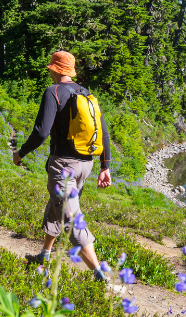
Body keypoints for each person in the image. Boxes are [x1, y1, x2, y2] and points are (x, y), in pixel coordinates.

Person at [13, 50, 112, 280]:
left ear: (54, 70)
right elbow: (104, 133)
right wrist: (104, 166)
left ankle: (100, 276)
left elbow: (41, 132)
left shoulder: (53, 92)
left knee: (70, 218)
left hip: (64, 167)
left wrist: (21, 153)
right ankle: (44, 255)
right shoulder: (85, 93)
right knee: (57, 206)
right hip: (85, 165)